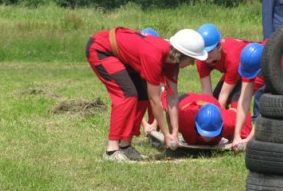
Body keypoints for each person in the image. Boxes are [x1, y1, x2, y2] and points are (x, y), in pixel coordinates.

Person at [86, 27, 207, 161]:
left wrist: (174, 133)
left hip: (122, 57)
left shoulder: (172, 62)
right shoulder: (154, 55)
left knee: (142, 96)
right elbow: (155, 100)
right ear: (181, 54)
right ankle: (112, 150)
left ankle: (125, 146)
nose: (192, 64)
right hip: (101, 49)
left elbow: (172, 97)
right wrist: (166, 134)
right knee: (127, 94)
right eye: (192, 59)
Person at [149, 91, 253, 146]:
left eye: (212, 134)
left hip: (212, 102)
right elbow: (169, 111)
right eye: (204, 133)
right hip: (187, 100)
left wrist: (234, 138)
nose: (208, 138)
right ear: (195, 125)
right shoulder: (184, 119)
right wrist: (172, 134)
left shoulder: (227, 122)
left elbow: (236, 112)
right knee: (168, 104)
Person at [196, 23, 254, 109]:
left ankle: (244, 122)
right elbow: (207, 94)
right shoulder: (201, 59)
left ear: (219, 46)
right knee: (214, 101)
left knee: (237, 101)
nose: (206, 56)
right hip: (235, 69)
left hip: (255, 66)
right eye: (202, 51)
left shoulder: (232, 58)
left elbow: (223, 97)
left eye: (209, 51)